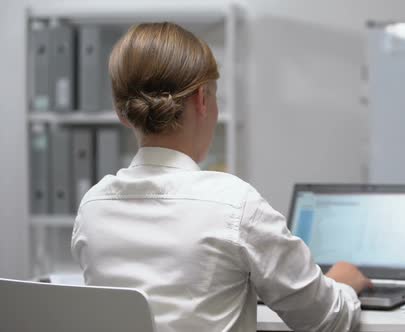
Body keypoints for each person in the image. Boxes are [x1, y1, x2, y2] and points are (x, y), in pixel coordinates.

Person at [71, 22, 371, 332]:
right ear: (202, 99)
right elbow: (326, 321)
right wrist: (343, 284)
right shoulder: (234, 205)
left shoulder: (92, 208)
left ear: (123, 112)